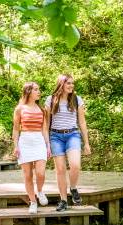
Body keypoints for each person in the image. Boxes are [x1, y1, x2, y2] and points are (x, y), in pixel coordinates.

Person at [46, 74, 91, 212]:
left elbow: (82, 122)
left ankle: (73, 187)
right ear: (61, 84)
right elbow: (46, 123)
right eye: (68, 83)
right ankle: (63, 200)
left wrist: (87, 143)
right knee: (60, 170)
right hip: (55, 136)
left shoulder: (77, 100)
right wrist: (46, 142)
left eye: (72, 83)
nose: (71, 86)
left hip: (72, 135)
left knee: (75, 165)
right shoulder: (51, 99)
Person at [12, 81, 51, 214]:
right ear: (28, 92)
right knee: (28, 175)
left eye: (39, 89)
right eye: (36, 89)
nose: (39, 92)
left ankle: (40, 191)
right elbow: (16, 129)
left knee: (40, 173)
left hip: (39, 141)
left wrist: (48, 145)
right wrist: (16, 146)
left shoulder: (42, 110)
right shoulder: (19, 109)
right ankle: (33, 202)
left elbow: (45, 129)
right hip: (25, 142)